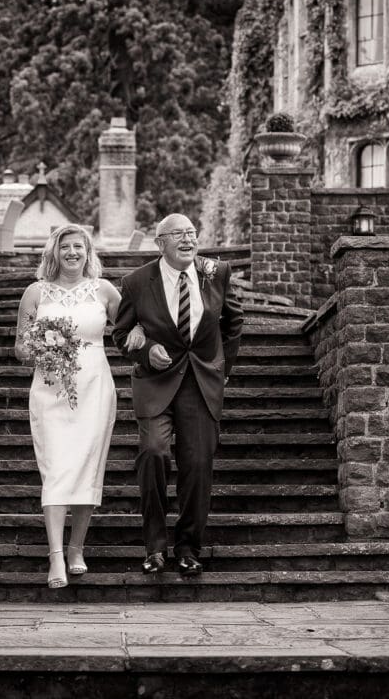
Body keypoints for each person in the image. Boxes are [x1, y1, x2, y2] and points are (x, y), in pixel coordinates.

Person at [112, 213, 244, 576]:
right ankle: (155, 548)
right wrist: (145, 350)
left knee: (198, 466)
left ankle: (188, 547)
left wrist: (223, 369)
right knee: (153, 453)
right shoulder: (137, 282)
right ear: (160, 244)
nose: (188, 240)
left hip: (202, 384)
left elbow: (234, 322)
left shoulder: (217, 272)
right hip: (156, 384)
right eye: (178, 235)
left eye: (192, 233)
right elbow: (121, 335)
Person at [14, 224, 143, 589]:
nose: (73, 252)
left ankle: (76, 549)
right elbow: (20, 348)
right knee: (56, 470)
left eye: (79, 247)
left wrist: (139, 334)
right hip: (49, 389)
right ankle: (55, 556)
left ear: (89, 252)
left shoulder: (103, 290)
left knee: (87, 469)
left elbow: (129, 326)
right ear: (53, 252)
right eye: (65, 246)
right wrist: (41, 348)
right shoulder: (35, 293)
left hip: (94, 388)